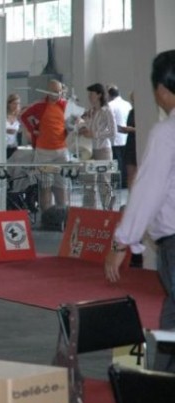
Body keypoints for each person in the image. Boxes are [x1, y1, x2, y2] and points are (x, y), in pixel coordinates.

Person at [104, 50, 175, 373]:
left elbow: (147, 192)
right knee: (171, 321)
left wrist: (122, 243)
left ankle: (160, 397)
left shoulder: (166, 134)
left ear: (161, 90)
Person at [20, 79, 70, 212]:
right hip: (44, 152)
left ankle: (62, 214)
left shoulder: (65, 105)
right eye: (54, 91)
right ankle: (46, 215)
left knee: (61, 184)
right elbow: (24, 116)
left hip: (61, 150)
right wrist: (33, 130)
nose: (57, 93)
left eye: (59, 91)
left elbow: (78, 119)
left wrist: (73, 127)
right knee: (45, 185)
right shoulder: (39, 105)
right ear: (47, 91)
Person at [78, 83, 116, 209]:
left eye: (92, 94)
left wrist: (95, 134)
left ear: (99, 95)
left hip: (103, 150)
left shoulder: (107, 110)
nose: (89, 96)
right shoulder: (90, 111)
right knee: (88, 182)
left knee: (104, 182)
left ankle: (108, 212)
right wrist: (82, 128)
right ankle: (90, 211)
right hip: (89, 150)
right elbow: (87, 126)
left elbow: (113, 131)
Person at [107, 85, 133, 188]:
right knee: (124, 161)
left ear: (109, 94)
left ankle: (117, 183)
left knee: (116, 162)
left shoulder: (110, 105)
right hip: (126, 137)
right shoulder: (127, 104)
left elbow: (108, 122)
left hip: (115, 138)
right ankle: (125, 183)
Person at [5, 93, 21, 158]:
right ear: (9, 104)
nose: (16, 105)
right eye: (14, 103)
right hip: (4, 147)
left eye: (18, 103)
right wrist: (6, 130)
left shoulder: (18, 117)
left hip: (14, 147)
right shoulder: (3, 116)